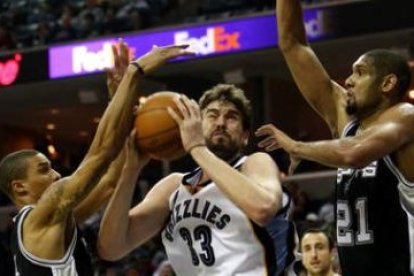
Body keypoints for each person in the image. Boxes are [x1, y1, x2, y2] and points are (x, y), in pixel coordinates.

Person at [0, 41, 193, 275]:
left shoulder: (56, 221)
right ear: (19, 187)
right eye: (43, 169)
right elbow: (102, 152)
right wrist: (135, 71)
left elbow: (109, 181)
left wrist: (120, 97)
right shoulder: (39, 216)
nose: (56, 174)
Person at [255, 0, 414, 275]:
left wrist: (296, 146)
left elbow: (354, 154)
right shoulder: (349, 124)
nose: (348, 80)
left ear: (388, 84)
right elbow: (293, 44)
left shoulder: (406, 116)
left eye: (360, 73)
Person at [97, 84, 285, 275]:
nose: (220, 123)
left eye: (231, 117)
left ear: (245, 136)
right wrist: (130, 171)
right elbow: (111, 249)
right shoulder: (173, 187)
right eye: (212, 115)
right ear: (198, 124)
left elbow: (263, 208)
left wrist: (197, 148)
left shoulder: (253, 164)